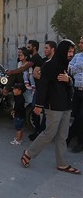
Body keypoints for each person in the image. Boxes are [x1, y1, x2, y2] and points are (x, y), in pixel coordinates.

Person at [20, 39, 80, 174]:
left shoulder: (67, 66)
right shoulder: (49, 65)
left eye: (72, 51)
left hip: (66, 106)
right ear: (63, 50)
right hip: (54, 106)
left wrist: (69, 79)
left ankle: (62, 163)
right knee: (49, 134)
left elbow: (71, 81)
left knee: (62, 136)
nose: (71, 54)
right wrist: (39, 105)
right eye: (69, 51)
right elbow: (43, 86)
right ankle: (28, 153)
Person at [66, 35, 83, 153]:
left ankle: (76, 140)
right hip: (77, 90)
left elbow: (73, 68)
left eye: (82, 42)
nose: (80, 44)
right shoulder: (77, 56)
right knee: (76, 115)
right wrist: (78, 67)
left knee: (80, 117)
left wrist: (76, 68)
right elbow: (69, 68)